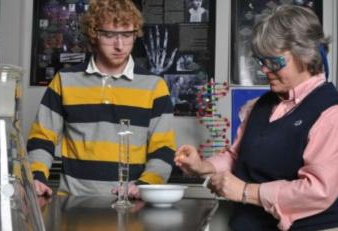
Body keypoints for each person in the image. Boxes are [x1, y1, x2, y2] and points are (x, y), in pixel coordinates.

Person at [175, 5, 338, 231]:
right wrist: (201, 166)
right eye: (261, 60)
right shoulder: (260, 106)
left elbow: (317, 191)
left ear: (306, 56)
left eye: (275, 62)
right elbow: (236, 157)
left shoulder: (330, 113)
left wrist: (245, 191)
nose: (264, 69)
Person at [27, 0, 176, 199]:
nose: (119, 45)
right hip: (73, 206)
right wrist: (37, 176)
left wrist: (145, 185)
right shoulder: (64, 80)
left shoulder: (154, 86)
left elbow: (163, 149)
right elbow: (42, 138)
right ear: (94, 34)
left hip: (130, 207)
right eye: (109, 35)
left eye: (127, 35)